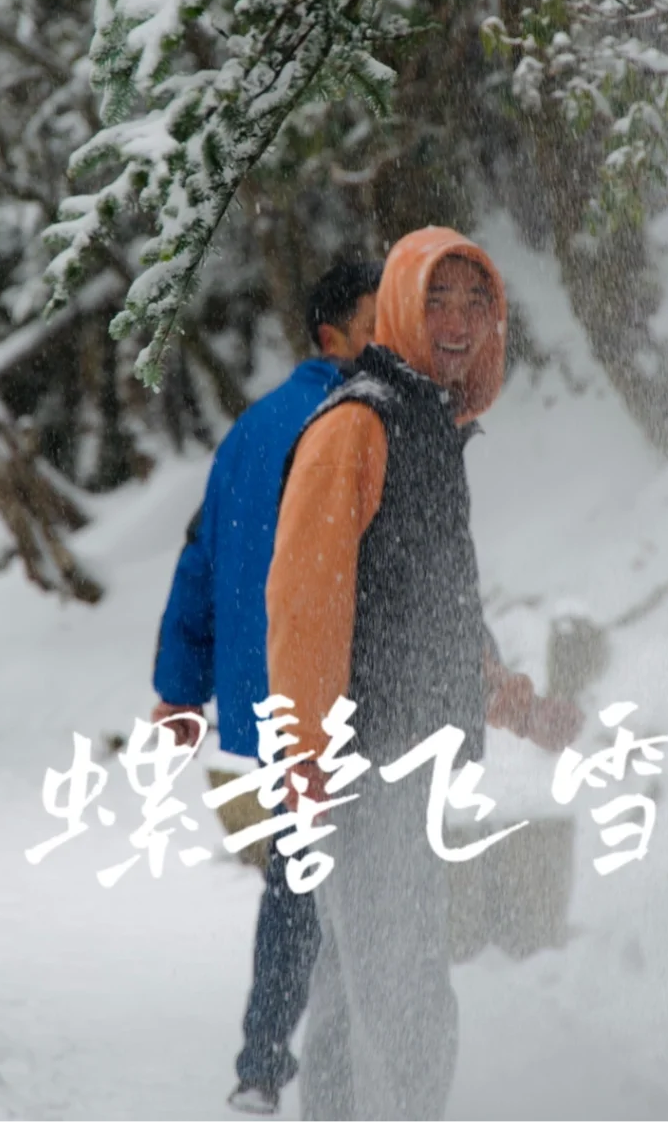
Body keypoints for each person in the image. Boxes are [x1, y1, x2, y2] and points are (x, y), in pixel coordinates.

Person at [266, 226, 583, 1122]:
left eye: (474, 302)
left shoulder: (428, 430)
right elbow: (304, 604)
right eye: (436, 299)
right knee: (406, 1005)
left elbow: (435, 611)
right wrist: (311, 755)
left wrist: (514, 704)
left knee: (349, 997)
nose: (456, 320)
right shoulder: (359, 426)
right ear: (400, 305)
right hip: (361, 767)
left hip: (396, 759)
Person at [151, 258, 382, 1116]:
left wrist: (182, 689)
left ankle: (261, 1066)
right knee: (348, 883)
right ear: (335, 336)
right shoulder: (353, 420)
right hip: (343, 692)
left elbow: (198, 559)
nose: (390, 333)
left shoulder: (251, 428)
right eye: (375, 318)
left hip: (276, 706)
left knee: (298, 875)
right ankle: (344, 1069)